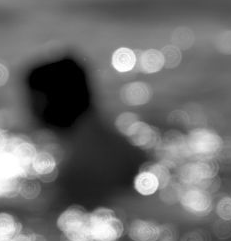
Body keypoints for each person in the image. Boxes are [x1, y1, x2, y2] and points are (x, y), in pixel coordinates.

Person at [24, 54, 149, 202]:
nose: (28, 110)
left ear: (42, 101)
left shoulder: (76, 170)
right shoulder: (129, 149)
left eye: (31, 100)